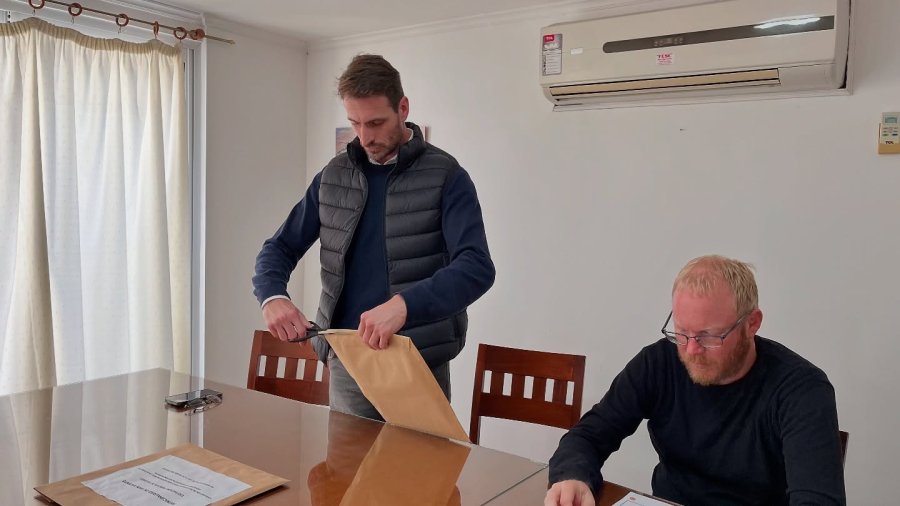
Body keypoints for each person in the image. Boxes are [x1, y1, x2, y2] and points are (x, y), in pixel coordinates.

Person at [252, 54, 495, 420]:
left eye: (377, 123)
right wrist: (272, 296)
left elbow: (476, 268)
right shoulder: (333, 176)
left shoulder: (447, 176)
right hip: (347, 362)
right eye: (355, 123)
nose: (365, 137)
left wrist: (404, 305)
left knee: (423, 476)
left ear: (403, 108)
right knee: (347, 476)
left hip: (417, 363)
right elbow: (279, 247)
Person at [546, 255, 845, 506]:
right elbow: (589, 436)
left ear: (751, 323)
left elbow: (817, 501)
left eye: (708, 336)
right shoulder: (658, 363)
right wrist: (572, 476)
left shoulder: (802, 390)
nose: (691, 350)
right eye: (681, 332)